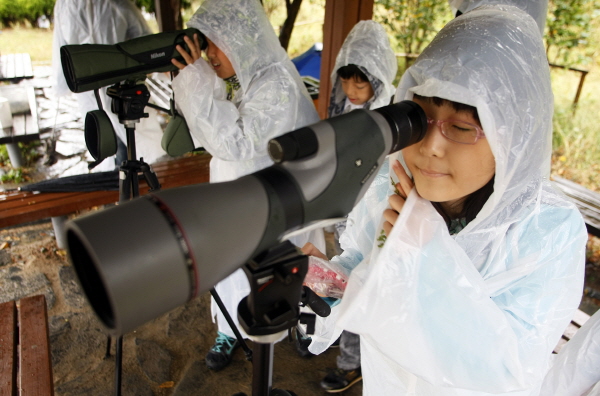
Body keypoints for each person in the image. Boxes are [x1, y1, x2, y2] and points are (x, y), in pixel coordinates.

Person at [303, 5, 588, 395]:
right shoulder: (395, 182)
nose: (431, 146)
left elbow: (505, 375)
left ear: (512, 137)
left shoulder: (547, 231)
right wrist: (329, 282)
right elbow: (363, 262)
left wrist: (427, 251)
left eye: (461, 126)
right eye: (420, 118)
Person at [170, 0, 325, 371]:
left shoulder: (277, 84)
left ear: (238, 38)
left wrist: (196, 77)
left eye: (212, 44)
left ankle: (303, 323)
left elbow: (236, 142)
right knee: (233, 265)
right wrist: (198, 78)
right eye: (203, 46)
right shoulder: (245, 76)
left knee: (281, 266)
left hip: (277, 201)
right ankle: (229, 328)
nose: (207, 54)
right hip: (241, 196)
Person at [297, 19, 398, 393]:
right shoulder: (340, 111)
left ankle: (350, 361)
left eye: (362, 82)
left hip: (376, 220)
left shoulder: (393, 119)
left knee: (365, 282)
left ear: (380, 80)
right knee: (338, 279)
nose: (353, 90)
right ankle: (327, 333)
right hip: (345, 216)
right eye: (347, 80)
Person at [52, 0, 167, 170]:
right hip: (98, 91)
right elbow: (62, 49)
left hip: (117, 90)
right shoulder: (66, 5)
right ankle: (123, 183)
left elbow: (144, 42)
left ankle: (126, 183)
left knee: (125, 146)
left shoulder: (115, 3)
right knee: (110, 144)